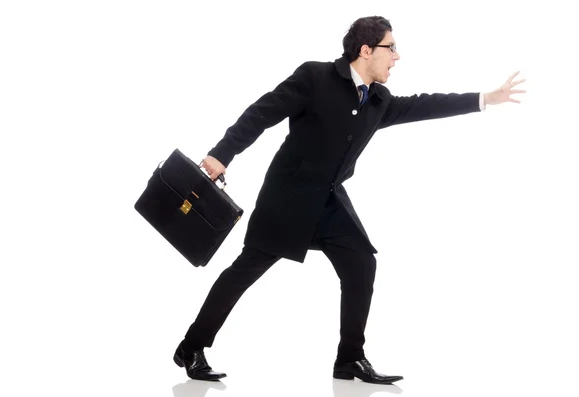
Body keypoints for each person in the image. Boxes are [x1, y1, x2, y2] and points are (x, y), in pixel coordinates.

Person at [172, 16, 525, 384]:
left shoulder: (379, 101)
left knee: (361, 264)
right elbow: (261, 114)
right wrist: (221, 154)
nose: (397, 56)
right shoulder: (315, 78)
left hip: (328, 203)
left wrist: (486, 99)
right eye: (391, 48)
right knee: (242, 274)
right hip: (287, 200)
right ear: (366, 50)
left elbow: (425, 105)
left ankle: (350, 359)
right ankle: (192, 346)